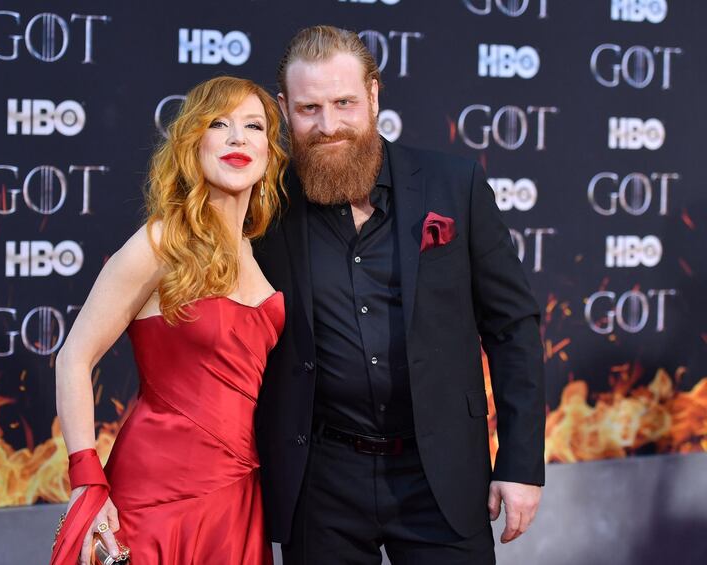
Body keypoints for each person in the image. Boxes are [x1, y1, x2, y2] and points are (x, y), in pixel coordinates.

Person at [253, 26, 545, 564]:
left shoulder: (454, 184)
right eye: (309, 108)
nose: (328, 125)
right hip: (320, 479)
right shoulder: (263, 206)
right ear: (282, 108)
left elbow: (512, 328)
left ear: (373, 93)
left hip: (441, 475)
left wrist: (521, 464)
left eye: (343, 102)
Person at [50, 76, 287, 565]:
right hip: (154, 495)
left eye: (254, 125)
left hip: (239, 495)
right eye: (219, 124)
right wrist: (86, 480)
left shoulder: (264, 251)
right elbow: (74, 356)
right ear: (192, 142)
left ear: (270, 149)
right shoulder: (161, 242)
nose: (238, 137)